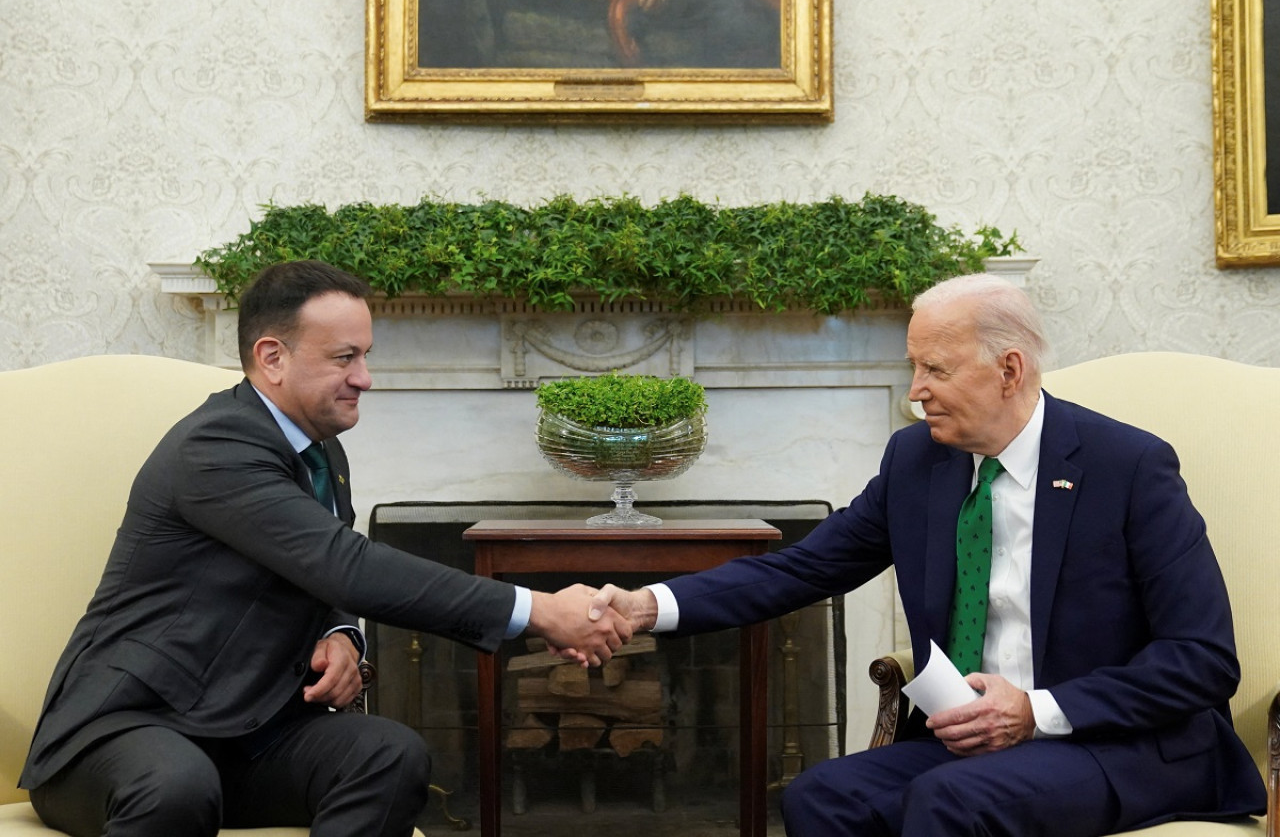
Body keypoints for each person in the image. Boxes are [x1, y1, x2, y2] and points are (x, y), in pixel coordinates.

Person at [589, 273, 1266, 836]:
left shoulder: (1128, 467)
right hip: (977, 744)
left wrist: (1036, 710)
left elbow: (1202, 660)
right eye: (914, 366)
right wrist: (650, 605)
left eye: (934, 369)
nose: (915, 390)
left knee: (951, 800)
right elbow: (802, 567)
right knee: (820, 796)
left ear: (1008, 370)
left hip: (1115, 743)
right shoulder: (919, 463)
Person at [19, 260, 631, 836]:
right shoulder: (217, 446)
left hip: (249, 735)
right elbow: (345, 566)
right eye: (344, 357)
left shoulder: (319, 448)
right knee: (176, 784)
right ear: (272, 357)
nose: (364, 377)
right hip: (124, 731)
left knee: (389, 755)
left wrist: (344, 635)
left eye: (365, 355)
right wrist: (539, 611)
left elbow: (315, 559)